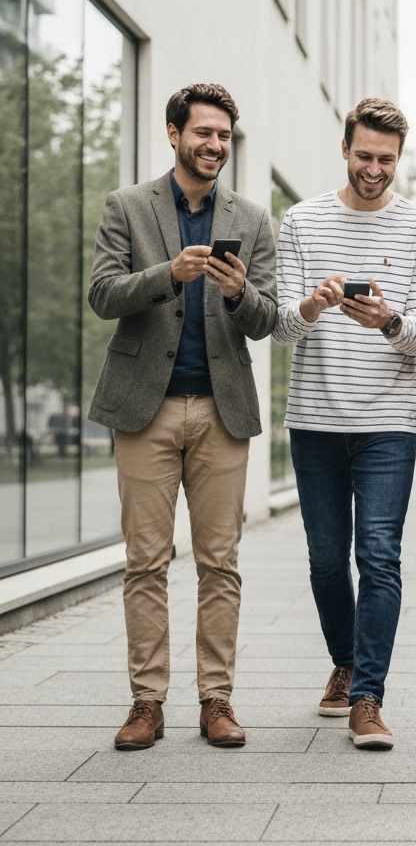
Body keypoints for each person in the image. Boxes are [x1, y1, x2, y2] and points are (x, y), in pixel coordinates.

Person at [88, 84, 278, 750]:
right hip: (146, 410)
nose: (215, 145)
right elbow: (102, 295)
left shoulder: (252, 219)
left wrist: (239, 292)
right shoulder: (127, 206)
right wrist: (168, 274)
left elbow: (267, 319)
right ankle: (147, 702)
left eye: (224, 136)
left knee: (220, 564)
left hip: (223, 413)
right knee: (145, 562)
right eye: (203, 133)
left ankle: (216, 699)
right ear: (174, 134)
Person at [273, 98, 416, 751]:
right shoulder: (301, 221)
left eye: (386, 159)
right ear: (344, 149)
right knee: (324, 560)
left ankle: (367, 696)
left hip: (388, 425)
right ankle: (344, 662)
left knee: (378, 556)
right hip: (315, 420)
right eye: (365, 155)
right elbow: (280, 328)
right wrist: (313, 306)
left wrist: (388, 322)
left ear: (399, 158)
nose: (374, 169)